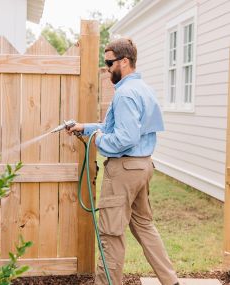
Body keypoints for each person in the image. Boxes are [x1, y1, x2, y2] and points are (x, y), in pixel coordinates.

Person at [67, 38, 179, 285]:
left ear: (124, 61)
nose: (107, 69)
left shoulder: (125, 94)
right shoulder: (143, 89)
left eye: (109, 63)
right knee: (145, 227)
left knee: (111, 233)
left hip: (124, 171)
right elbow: (115, 128)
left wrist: (98, 141)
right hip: (142, 167)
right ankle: (172, 281)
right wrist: (85, 127)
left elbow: (125, 137)